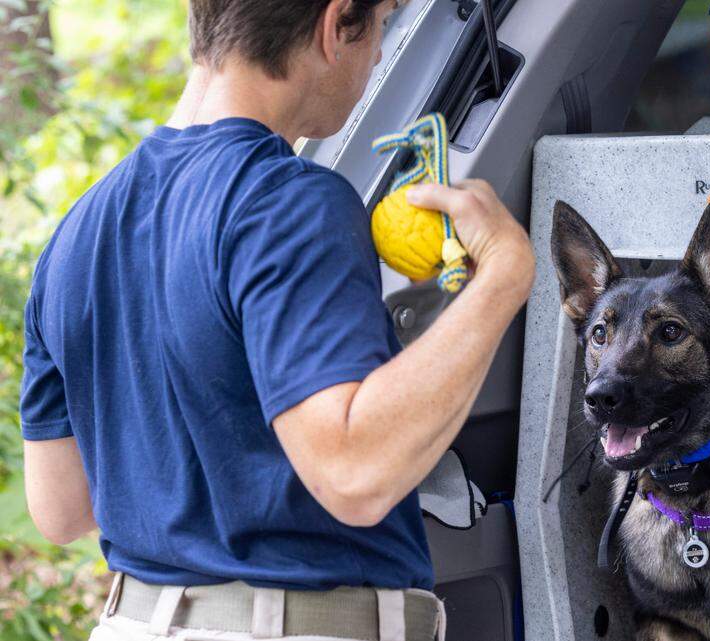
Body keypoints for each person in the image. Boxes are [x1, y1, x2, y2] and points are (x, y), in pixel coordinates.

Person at [18, 0, 535, 639]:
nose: (379, 51)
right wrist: (503, 274)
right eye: (381, 24)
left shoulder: (75, 233)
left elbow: (61, 509)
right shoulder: (290, 200)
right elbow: (356, 475)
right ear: (335, 24)